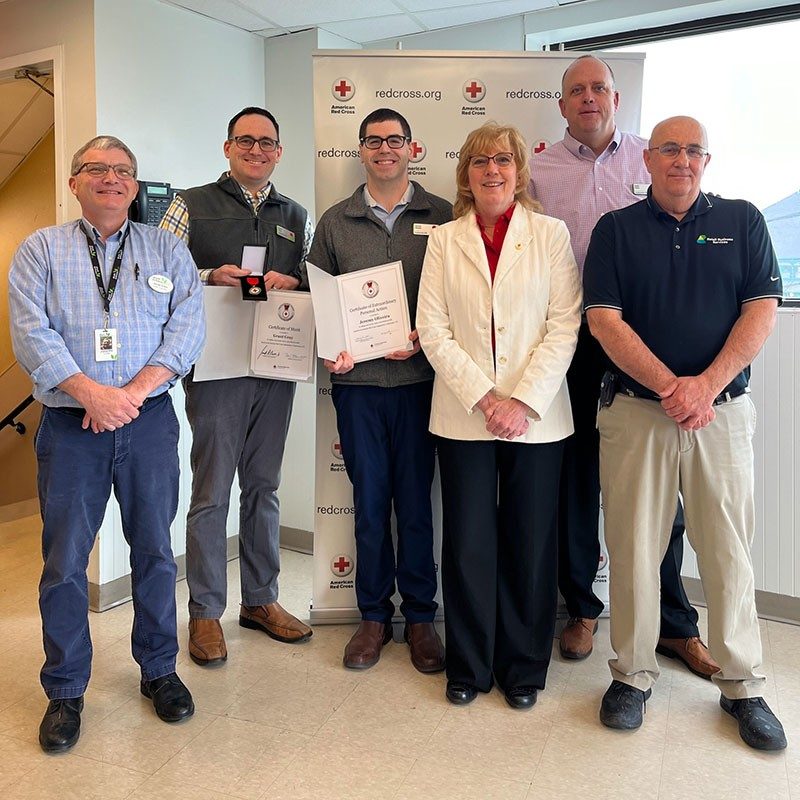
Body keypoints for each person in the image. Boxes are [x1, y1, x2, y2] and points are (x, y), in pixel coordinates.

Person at [584, 115, 786, 750]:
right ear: (647, 161)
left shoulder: (743, 221)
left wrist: (705, 385)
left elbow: (761, 311)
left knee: (727, 550)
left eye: (694, 151)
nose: (682, 160)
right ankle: (632, 676)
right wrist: (673, 387)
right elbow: (604, 322)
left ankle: (743, 685)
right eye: (669, 149)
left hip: (721, 415)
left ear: (707, 161)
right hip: (638, 412)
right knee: (635, 548)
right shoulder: (616, 230)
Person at [8, 135, 205, 753]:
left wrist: (130, 394)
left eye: (123, 171)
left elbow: (186, 328)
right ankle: (64, 689)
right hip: (71, 427)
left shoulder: (166, 249)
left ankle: (159, 670)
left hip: (147, 422)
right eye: (98, 169)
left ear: (134, 184)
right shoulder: (41, 250)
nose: (112, 179)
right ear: (75, 182)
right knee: (65, 563)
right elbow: (30, 331)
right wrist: (93, 394)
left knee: (154, 551)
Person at [529, 55, 717, 678]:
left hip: (653, 346)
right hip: (575, 342)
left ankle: (673, 623)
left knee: (665, 492)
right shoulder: (536, 170)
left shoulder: (653, 156)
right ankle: (582, 608)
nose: (588, 98)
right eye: (576, 90)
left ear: (617, 97)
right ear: (561, 105)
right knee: (578, 482)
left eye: (599, 88)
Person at [417, 122, 581, 708]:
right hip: (465, 416)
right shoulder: (444, 239)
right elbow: (432, 330)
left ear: (519, 171)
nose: (493, 170)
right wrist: (486, 398)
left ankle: (523, 669)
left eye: (504, 160)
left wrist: (521, 402)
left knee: (530, 543)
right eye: (481, 161)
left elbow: (565, 325)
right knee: (467, 543)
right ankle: (468, 665)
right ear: (465, 173)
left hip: (537, 417)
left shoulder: (551, 234)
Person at [160, 106, 314, 666]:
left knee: (264, 487)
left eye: (267, 142)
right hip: (216, 366)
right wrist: (208, 275)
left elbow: (311, 277)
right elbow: (160, 273)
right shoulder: (190, 205)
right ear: (227, 148)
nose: (256, 149)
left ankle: (261, 600)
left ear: (279, 151)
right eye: (245, 140)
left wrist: (294, 278)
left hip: (274, 363)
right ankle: (204, 613)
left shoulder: (296, 214)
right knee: (211, 493)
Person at [305, 108, 451, 673]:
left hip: (421, 384)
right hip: (359, 385)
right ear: (361, 150)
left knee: (416, 504)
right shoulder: (336, 221)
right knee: (369, 505)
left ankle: (419, 617)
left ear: (413, 148)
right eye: (373, 141)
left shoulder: (440, 214)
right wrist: (333, 347)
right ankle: (372, 616)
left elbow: (458, 296)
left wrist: (425, 339)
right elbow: (320, 300)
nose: (384, 149)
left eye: (395, 140)